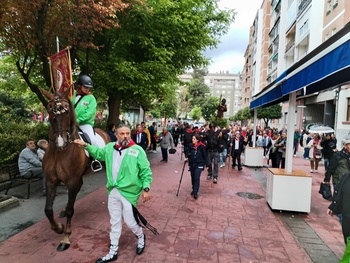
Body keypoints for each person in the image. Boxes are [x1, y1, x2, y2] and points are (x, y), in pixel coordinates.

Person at [74, 124, 157, 263]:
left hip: (129, 192)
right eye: (122, 133)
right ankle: (113, 252)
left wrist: (146, 188)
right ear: (116, 135)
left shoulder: (137, 150)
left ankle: (141, 236)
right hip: (113, 190)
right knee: (115, 222)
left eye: (127, 133)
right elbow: (99, 153)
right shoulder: (110, 147)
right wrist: (86, 145)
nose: (125, 136)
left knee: (130, 222)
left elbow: (145, 171)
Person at [72, 74, 102, 172]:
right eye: (85, 87)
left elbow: (89, 113)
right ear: (79, 85)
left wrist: (77, 120)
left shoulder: (91, 98)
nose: (88, 89)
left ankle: (94, 160)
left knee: (92, 140)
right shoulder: (72, 94)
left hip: (84, 124)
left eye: (89, 87)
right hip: (70, 122)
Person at [324, 138, 350, 224]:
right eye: (349, 144)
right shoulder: (338, 156)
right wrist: (327, 178)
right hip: (339, 181)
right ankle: (342, 220)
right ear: (345, 146)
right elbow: (331, 167)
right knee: (341, 200)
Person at [327, 171, 350, 245]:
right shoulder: (346, 177)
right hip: (347, 218)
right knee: (348, 241)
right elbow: (339, 192)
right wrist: (333, 207)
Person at [186, 134, 209, 199]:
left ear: (197, 140)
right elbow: (188, 153)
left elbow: (205, 156)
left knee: (196, 177)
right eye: (192, 139)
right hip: (192, 164)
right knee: (193, 177)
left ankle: (196, 191)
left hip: (199, 164)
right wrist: (187, 157)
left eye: (194, 139)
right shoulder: (191, 146)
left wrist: (207, 165)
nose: (192, 140)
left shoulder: (202, 147)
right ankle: (193, 189)